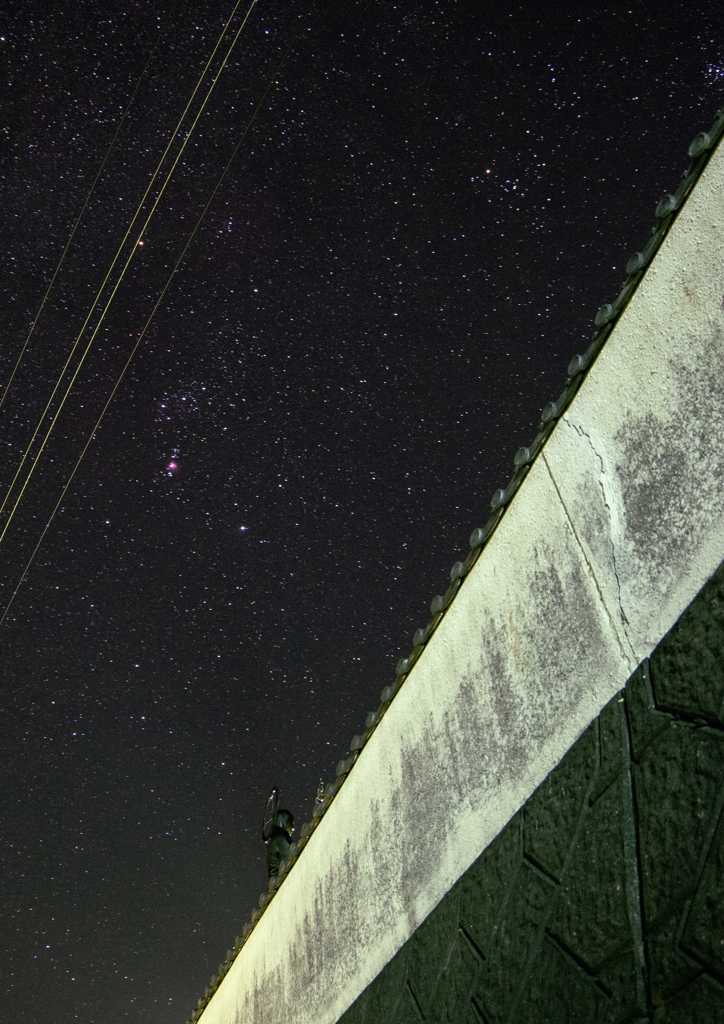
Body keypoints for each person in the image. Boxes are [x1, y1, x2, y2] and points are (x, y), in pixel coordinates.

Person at [266, 809, 294, 878]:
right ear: (284, 819)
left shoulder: (272, 837)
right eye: (291, 822)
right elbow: (289, 859)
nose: (293, 828)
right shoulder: (281, 835)